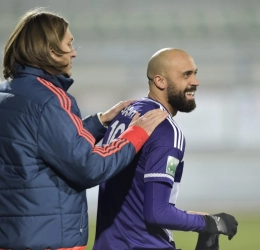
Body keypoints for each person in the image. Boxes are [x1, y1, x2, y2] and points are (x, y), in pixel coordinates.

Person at [0, 8, 168, 250]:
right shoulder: (49, 99)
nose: (74, 53)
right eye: (69, 44)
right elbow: (89, 167)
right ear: (50, 51)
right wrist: (137, 133)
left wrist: (98, 123)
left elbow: (44, 143)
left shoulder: (8, 92)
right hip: (49, 241)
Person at [93, 48, 238, 250]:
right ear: (160, 81)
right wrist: (210, 223)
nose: (195, 81)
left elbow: (137, 198)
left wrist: (202, 221)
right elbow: (157, 212)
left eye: (195, 73)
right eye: (186, 74)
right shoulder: (165, 130)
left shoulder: (127, 114)